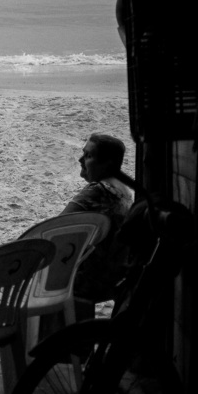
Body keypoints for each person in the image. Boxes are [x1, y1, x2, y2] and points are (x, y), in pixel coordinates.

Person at [66, 133, 136, 318]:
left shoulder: (98, 191)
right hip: (108, 290)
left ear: (108, 164)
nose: (81, 160)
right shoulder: (125, 191)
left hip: (83, 288)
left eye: (88, 156)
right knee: (94, 336)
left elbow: (56, 228)